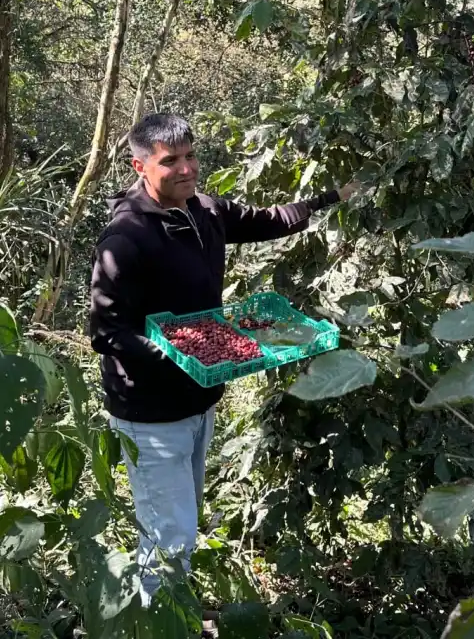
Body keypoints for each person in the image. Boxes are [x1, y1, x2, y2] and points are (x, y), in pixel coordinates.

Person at [89, 112, 357, 610]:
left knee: (179, 522)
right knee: (171, 538)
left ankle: (167, 613)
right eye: (171, 161)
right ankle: (153, 621)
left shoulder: (205, 211)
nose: (187, 168)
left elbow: (269, 220)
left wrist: (332, 198)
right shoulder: (125, 239)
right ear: (140, 166)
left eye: (191, 156)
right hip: (149, 412)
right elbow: (106, 333)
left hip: (200, 399)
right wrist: (177, 353)